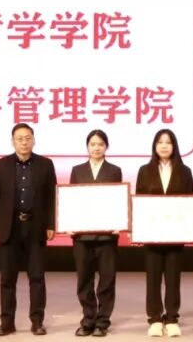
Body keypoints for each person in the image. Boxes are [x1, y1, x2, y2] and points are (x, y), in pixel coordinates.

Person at [0, 123, 57, 337]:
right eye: (20, 139)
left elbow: (52, 197)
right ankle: (7, 322)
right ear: (13, 142)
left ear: (34, 140)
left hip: (36, 227)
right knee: (7, 279)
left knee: (37, 277)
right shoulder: (0, 165)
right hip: (9, 228)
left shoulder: (46, 164)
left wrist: (51, 224)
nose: (24, 142)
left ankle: (37, 322)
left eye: (28, 138)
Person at [135, 129, 193, 337]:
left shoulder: (185, 171)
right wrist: (139, 230)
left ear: (174, 146)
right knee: (152, 278)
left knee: (173, 278)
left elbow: (190, 202)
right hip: (152, 234)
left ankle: (171, 318)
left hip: (175, 234)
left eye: (168, 142)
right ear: (154, 146)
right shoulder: (144, 171)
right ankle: (154, 319)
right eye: (160, 142)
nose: (163, 146)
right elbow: (140, 202)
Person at [69, 129, 123, 337]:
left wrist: (119, 223)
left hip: (106, 234)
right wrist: (69, 222)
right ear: (87, 147)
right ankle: (88, 320)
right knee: (84, 278)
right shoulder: (77, 170)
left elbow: (118, 199)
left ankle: (103, 321)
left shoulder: (114, 170)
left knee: (107, 279)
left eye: (100, 144)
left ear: (106, 147)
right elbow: (71, 200)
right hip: (82, 234)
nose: (96, 148)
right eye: (92, 144)